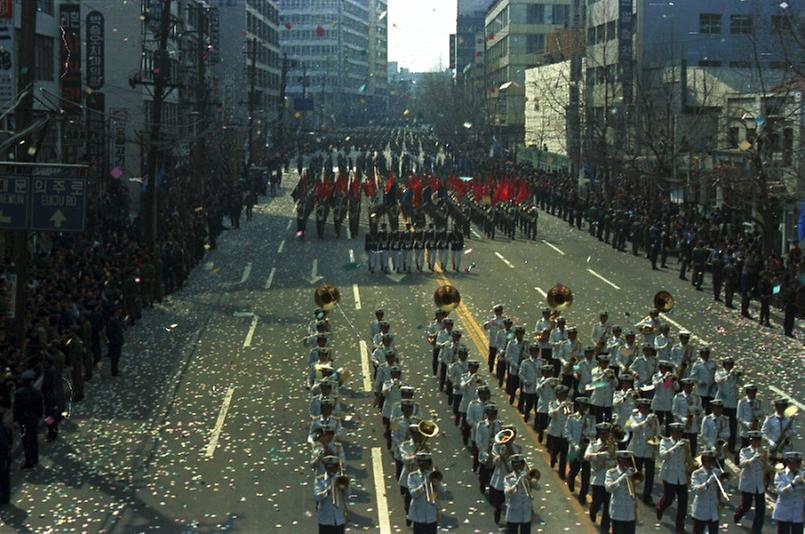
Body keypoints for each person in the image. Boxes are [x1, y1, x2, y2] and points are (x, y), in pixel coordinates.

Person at [655, 423, 690, 532]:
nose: (678, 434)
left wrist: (687, 450)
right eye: (676, 432)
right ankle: (660, 507)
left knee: (683, 503)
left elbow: (689, 458)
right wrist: (675, 446)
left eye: (680, 432)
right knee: (669, 499)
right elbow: (662, 455)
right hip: (669, 475)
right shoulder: (665, 442)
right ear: (671, 432)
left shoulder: (685, 443)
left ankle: (679, 526)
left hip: (681, 476)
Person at [626, 398, 660, 504]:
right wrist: (645, 422)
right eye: (643, 407)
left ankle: (647, 496)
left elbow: (657, 432)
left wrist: (655, 447)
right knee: (635, 473)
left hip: (649, 449)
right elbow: (631, 428)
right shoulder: (633, 416)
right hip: (637, 449)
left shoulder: (654, 418)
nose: (645, 409)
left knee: (650, 475)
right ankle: (631, 493)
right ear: (639, 407)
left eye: (647, 407)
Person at [734, 430, 768, 533]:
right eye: (754, 440)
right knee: (746, 505)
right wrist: (753, 458)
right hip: (748, 483)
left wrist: (765, 463)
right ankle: (738, 515)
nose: (756, 443)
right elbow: (742, 464)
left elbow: (765, 467)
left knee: (761, 509)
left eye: (758, 441)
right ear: (751, 441)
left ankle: (756, 530)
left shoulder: (764, 452)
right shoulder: (745, 451)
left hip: (759, 484)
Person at [585, 422, 615, 533]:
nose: (605, 436)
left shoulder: (613, 446)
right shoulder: (593, 445)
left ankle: (604, 527)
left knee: (607, 506)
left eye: (606, 434)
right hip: (597, 479)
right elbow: (586, 456)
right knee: (597, 503)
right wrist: (598, 455)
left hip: (608, 480)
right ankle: (593, 511)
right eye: (602, 434)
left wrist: (610, 462)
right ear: (599, 434)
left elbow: (617, 461)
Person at [690, 449, 727, 534]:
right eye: (708, 461)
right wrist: (708, 482)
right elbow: (696, 491)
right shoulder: (697, 473)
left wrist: (723, 482)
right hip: (701, 510)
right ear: (703, 461)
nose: (711, 464)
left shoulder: (717, 471)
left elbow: (721, 489)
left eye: (712, 461)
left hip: (713, 510)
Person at [13, 370, 43, 469]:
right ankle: (35, 459)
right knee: (34, 440)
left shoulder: (19, 393)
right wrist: (39, 417)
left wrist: (16, 420)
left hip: (24, 421)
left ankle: (29, 461)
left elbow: (17, 408)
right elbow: (40, 407)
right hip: (33, 419)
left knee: (26, 441)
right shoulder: (37, 392)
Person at [605, 450, 638, 534]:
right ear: (618, 461)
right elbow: (608, 488)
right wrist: (622, 478)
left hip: (630, 511)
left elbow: (634, 489)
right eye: (623, 462)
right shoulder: (611, 473)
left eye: (627, 463)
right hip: (617, 512)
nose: (626, 465)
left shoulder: (632, 473)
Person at [504, 454, 538, 534]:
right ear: (512, 466)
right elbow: (507, 493)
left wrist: (532, 480)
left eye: (520, 465)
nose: (518, 467)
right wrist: (517, 483)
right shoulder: (508, 478)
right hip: (513, 513)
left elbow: (538, 487)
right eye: (515, 465)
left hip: (525, 513)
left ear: (523, 465)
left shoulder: (528, 476)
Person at [407, 451, 441, 534]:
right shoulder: (412, 476)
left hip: (431, 514)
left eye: (425, 463)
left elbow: (443, 491)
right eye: (421, 462)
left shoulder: (433, 475)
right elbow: (413, 494)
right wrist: (424, 485)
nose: (423, 465)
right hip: (418, 515)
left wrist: (437, 483)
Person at [314, 455, 349, 534]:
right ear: (326, 468)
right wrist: (327, 491)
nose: (331, 470)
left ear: (337, 468)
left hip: (339, 518)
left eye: (333, 468)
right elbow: (316, 496)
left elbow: (348, 494)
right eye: (329, 468)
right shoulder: (320, 479)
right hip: (325, 518)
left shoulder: (341, 479)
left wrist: (344, 488)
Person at [772, 451, 803, 534]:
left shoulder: (802, 474)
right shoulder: (781, 474)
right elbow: (780, 491)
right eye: (794, 463)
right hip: (784, 512)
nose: (797, 466)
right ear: (788, 463)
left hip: (798, 513)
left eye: (798, 463)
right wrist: (792, 484)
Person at [762, 398, 797, 462]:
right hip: (775, 446)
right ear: (776, 407)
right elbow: (763, 433)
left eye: (783, 407)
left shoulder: (789, 419)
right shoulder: (770, 419)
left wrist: (789, 433)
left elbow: (794, 431)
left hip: (786, 447)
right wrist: (770, 441)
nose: (781, 409)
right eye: (779, 407)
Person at [106, 306, 125, 377]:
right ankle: (114, 371)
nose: (120, 313)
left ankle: (115, 369)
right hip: (115, 342)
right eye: (118, 312)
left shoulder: (116, 320)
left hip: (117, 341)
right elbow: (110, 332)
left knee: (117, 356)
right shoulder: (112, 321)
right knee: (115, 357)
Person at [0, 414, 12, 504]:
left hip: (2, 456)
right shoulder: (7, 429)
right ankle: (6, 496)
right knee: (5, 477)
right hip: (6, 456)